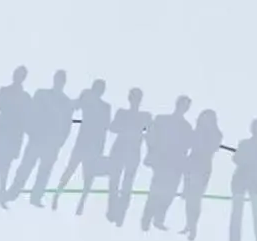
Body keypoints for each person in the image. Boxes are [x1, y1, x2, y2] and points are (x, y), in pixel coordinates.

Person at [5, 69, 74, 207]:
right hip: (37, 138)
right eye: (57, 78)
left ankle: (36, 197)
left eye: (61, 79)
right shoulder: (42, 94)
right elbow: (31, 112)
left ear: (64, 82)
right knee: (25, 167)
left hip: (52, 144)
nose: (59, 82)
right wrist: (30, 130)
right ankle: (13, 192)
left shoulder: (66, 102)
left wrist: (60, 142)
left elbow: (67, 125)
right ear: (54, 79)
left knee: (44, 171)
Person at [139, 96, 193, 231]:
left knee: (169, 193)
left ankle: (159, 219)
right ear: (177, 104)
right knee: (156, 191)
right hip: (162, 162)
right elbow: (150, 137)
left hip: (176, 165)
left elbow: (187, 146)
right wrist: (154, 153)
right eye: (183, 104)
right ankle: (146, 219)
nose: (184, 108)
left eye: (186, 106)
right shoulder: (162, 120)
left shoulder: (187, 127)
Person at [54, 78, 112, 204]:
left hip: (91, 145)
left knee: (86, 174)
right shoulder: (92, 100)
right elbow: (75, 106)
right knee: (73, 170)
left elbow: (105, 126)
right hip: (85, 143)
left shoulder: (103, 106)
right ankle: (58, 196)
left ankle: (77, 201)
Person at [98, 88, 148, 223]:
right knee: (115, 182)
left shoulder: (145, 116)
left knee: (126, 184)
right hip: (120, 150)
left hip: (132, 152)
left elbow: (148, 134)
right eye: (134, 97)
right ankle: (113, 211)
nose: (135, 100)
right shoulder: (122, 113)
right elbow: (113, 127)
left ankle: (120, 214)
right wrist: (127, 128)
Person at [0, 66, 30, 206]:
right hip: (4, 131)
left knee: (7, 165)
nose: (18, 77)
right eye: (17, 74)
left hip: (15, 134)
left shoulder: (25, 96)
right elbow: (2, 107)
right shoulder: (4, 91)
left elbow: (27, 115)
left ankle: (1, 193)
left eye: (21, 75)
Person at [179, 110, 222, 239]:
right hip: (191, 164)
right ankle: (189, 224)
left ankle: (193, 227)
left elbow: (211, 148)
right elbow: (188, 144)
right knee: (188, 197)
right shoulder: (196, 131)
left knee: (195, 199)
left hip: (203, 166)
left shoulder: (216, 134)